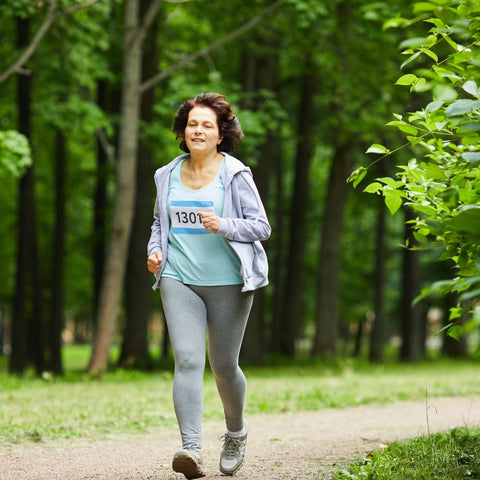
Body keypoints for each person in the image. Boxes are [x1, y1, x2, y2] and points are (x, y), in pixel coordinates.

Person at [146, 92, 271, 479]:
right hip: (178, 277)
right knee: (186, 359)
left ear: (220, 135)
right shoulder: (165, 174)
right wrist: (154, 252)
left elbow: (261, 227)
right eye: (192, 124)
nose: (197, 130)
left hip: (229, 282)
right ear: (183, 132)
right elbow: (158, 224)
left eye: (206, 125)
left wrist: (225, 225)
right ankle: (192, 449)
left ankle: (235, 432)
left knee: (223, 366)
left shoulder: (235, 174)